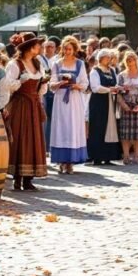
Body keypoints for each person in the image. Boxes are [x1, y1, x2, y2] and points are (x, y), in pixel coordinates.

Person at [5, 34, 49, 190]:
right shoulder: (15, 64)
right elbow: (7, 85)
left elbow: (42, 89)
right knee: (20, 138)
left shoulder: (37, 64)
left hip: (34, 104)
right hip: (20, 105)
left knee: (34, 139)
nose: (40, 48)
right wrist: (20, 81)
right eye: (37, 46)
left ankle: (28, 179)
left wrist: (43, 84)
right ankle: (18, 178)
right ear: (30, 48)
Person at [49, 36, 89, 173]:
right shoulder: (57, 64)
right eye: (65, 49)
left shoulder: (80, 64)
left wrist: (76, 86)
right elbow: (51, 84)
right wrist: (60, 83)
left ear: (74, 50)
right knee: (61, 127)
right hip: (60, 99)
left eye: (70, 49)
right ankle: (61, 160)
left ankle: (71, 161)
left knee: (73, 127)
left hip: (74, 99)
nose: (67, 51)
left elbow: (85, 83)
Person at [88, 49, 122, 165]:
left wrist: (118, 88)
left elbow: (115, 83)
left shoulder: (112, 70)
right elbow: (95, 87)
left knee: (110, 127)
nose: (108, 59)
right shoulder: (95, 71)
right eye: (106, 57)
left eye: (109, 57)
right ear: (100, 58)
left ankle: (108, 156)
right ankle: (97, 156)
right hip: (98, 102)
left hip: (110, 102)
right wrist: (109, 89)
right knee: (98, 128)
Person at [117, 51, 138, 165]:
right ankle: (126, 156)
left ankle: (136, 156)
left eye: (132, 60)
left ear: (136, 60)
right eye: (127, 60)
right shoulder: (121, 75)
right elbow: (118, 92)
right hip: (126, 105)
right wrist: (123, 105)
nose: (130, 62)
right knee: (125, 132)